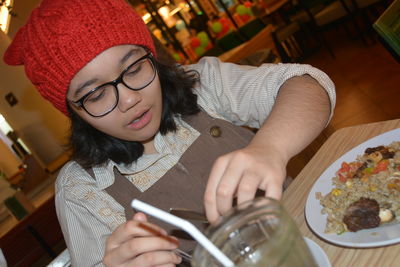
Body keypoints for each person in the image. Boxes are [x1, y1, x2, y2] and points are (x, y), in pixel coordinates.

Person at [3, 0, 335, 266]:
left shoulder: (202, 86)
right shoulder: (81, 190)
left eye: (134, 68)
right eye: (96, 95)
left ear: (152, 57)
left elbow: (308, 86)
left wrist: (270, 147)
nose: (130, 98)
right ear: (72, 110)